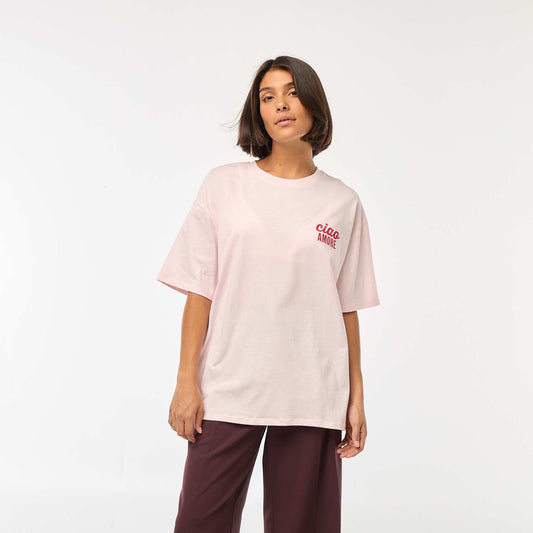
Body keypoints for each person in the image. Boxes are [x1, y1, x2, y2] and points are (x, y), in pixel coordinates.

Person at [156, 55, 381, 533]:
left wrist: (356, 397)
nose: (281, 104)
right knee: (199, 521)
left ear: (313, 103)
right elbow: (200, 291)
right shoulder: (223, 186)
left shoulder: (343, 202)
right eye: (267, 96)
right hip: (227, 386)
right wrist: (185, 382)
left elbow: (346, 308)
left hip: (312, 390)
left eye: (292, 92)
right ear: (257, 112)